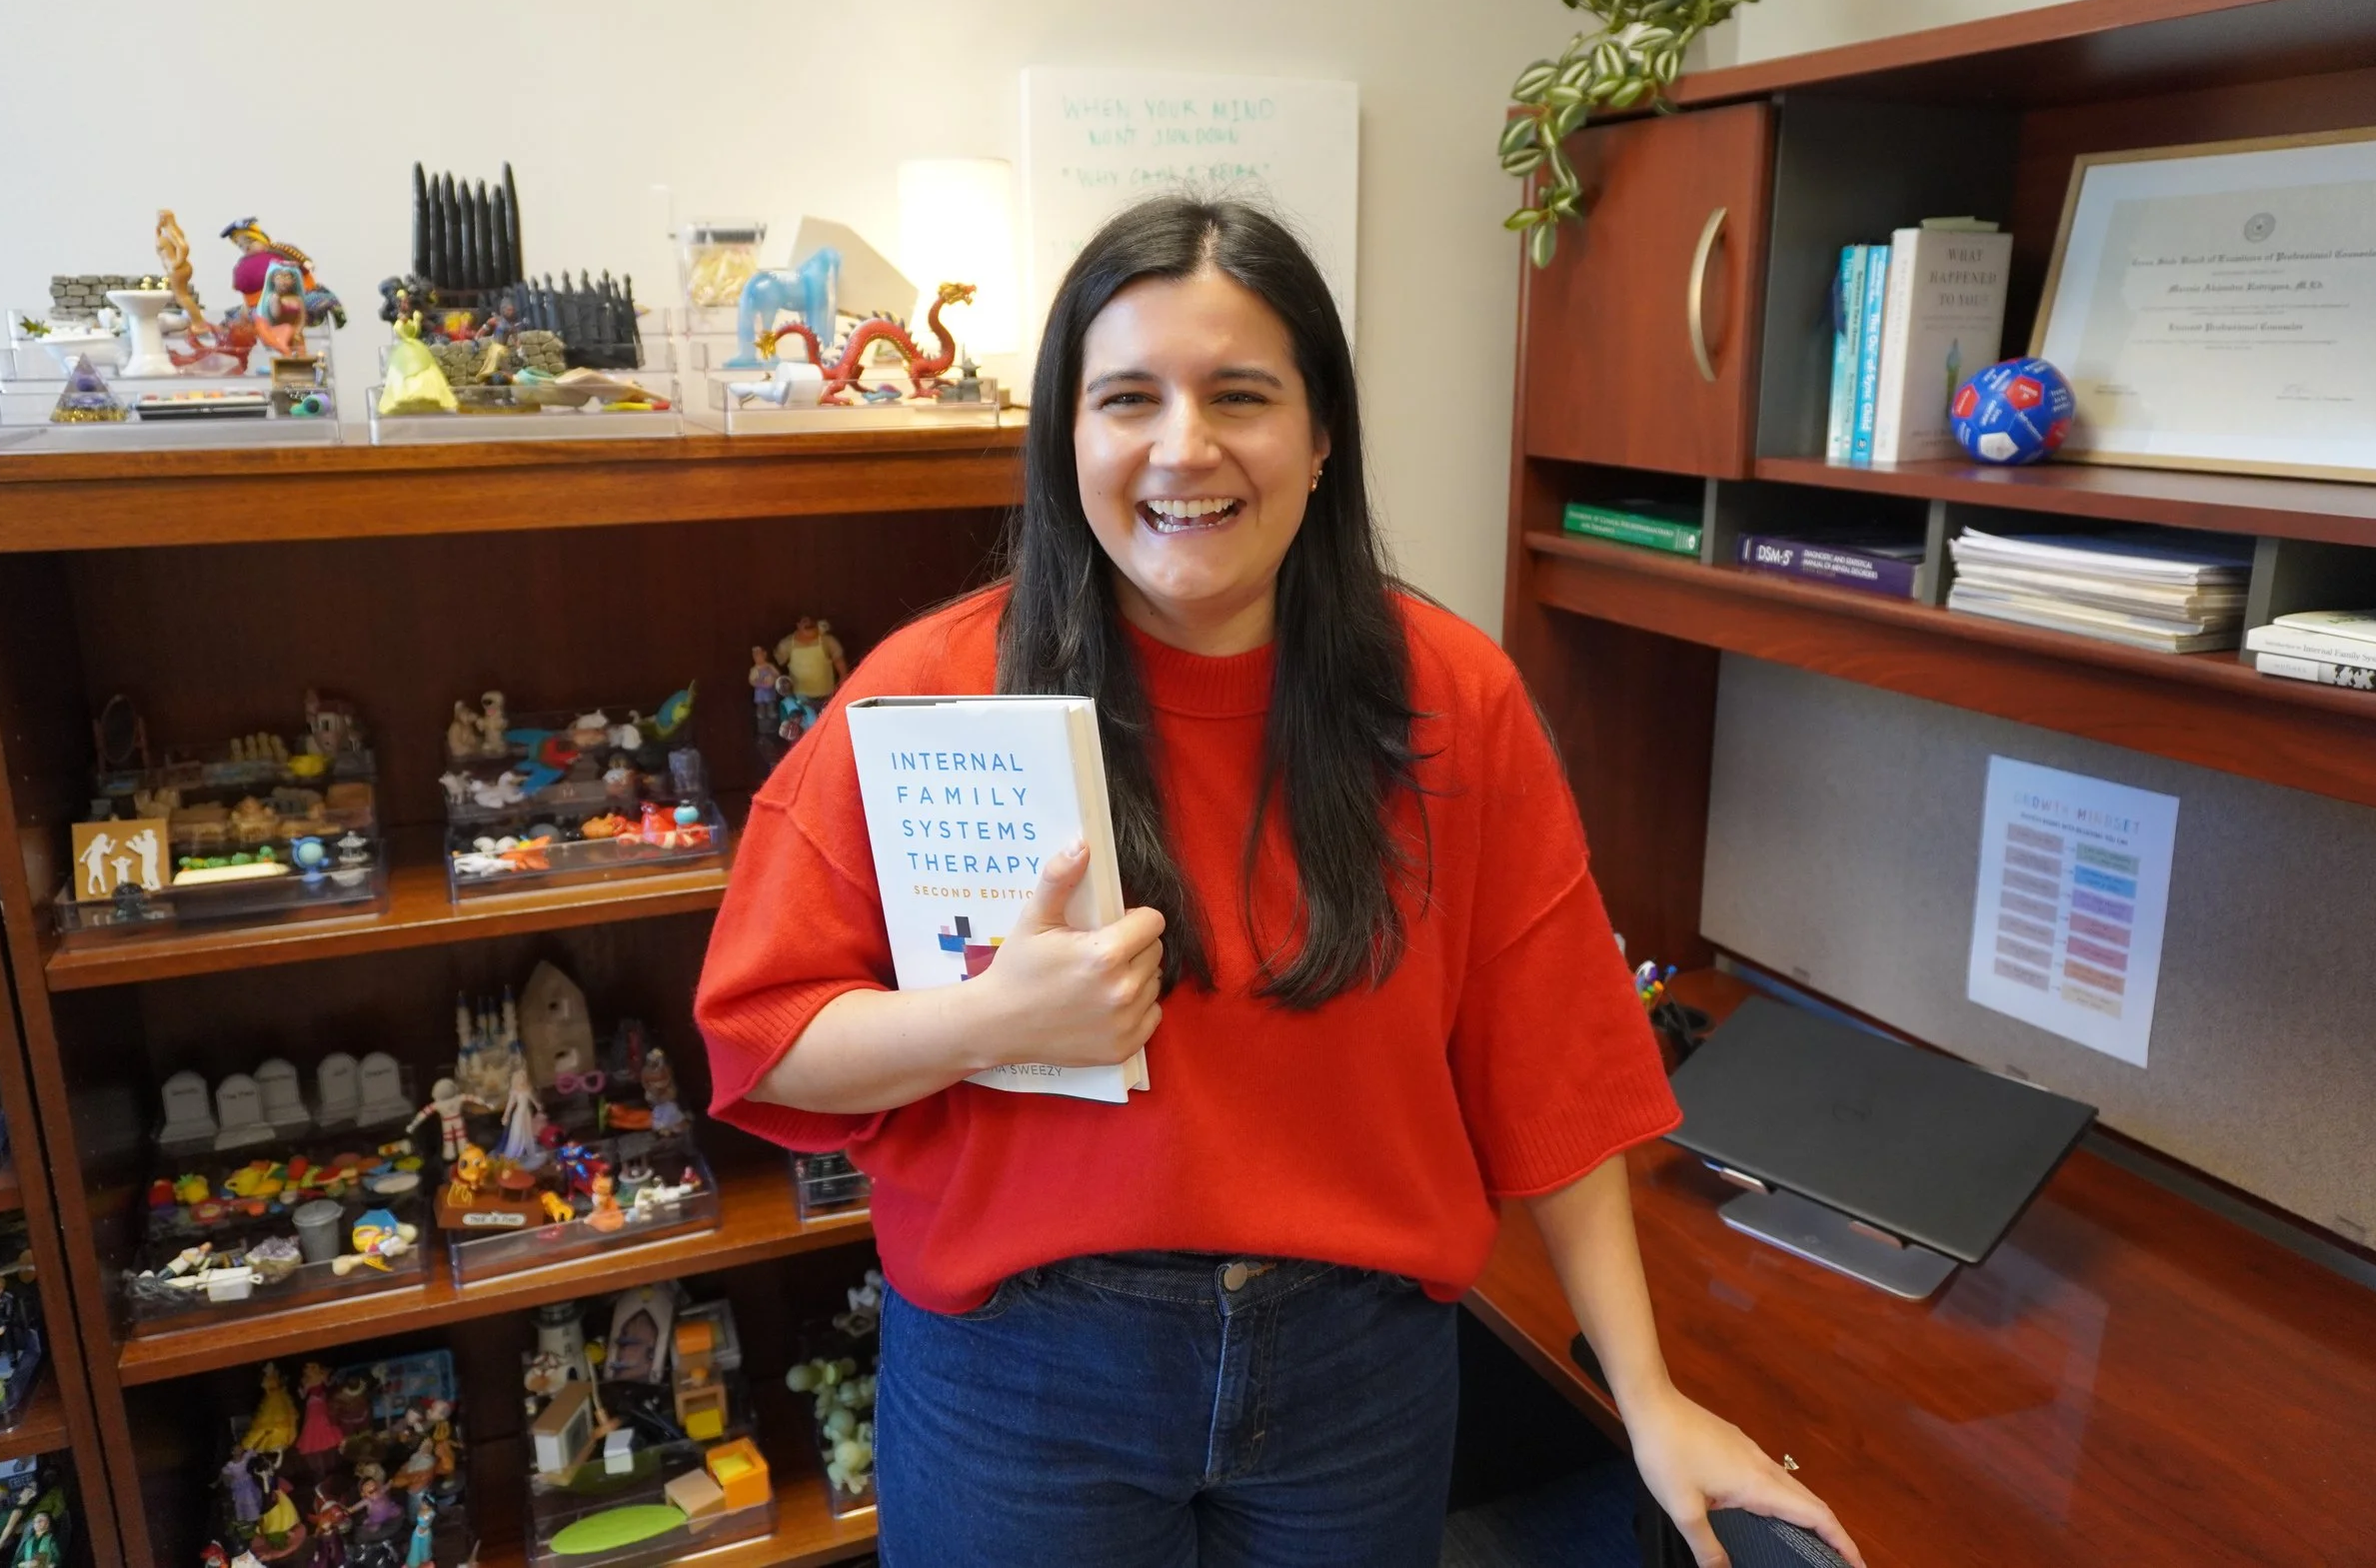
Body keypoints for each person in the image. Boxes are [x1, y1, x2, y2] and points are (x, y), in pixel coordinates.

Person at [694, 197, 1860, 1568]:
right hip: (1025, 1384)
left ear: (1319, 442)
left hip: (1356, 1387)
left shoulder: (1450, 698)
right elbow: (765, 1044)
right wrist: (986, 1021)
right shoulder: (931, 690)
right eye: (1127, 397)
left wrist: (1649, 1397)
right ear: (1066, 439)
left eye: (1240, 394)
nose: (1184, 446)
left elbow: (1556, 1070)